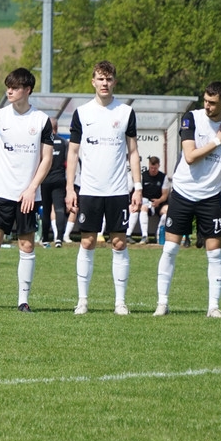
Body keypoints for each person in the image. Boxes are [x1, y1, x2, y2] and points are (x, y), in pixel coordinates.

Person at [155, 82, 221, 318]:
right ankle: (162, 303)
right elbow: (190, 156)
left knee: (214, 253)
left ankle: (213, 307)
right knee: (170, 249)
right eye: (205, 100)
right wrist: (217, 141)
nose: (207, 106)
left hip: (210, 198)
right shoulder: (191, 119)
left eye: (212, 103)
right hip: (183, 193)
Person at [66, 61, 142, 316]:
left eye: (108, 79)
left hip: (118, 190)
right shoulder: (81, 113)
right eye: (100, 79)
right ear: (93, 82)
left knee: (119, 243)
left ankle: (120, 302)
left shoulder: (126, 112)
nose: (105, 83)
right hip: (89, 189)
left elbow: (133, 152)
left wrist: (138, 187)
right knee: (87, 242)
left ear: (114, 82)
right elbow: (72, 153)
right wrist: (70, 188)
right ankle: (82, 301)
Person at [0, 68, 53, 312]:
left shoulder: (41, 120)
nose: (9, 91)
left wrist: (32, 188)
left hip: (27, 196)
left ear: (27, 90)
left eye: (15, 87)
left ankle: (23, 301)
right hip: (0, 193)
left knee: (27, 246)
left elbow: (47, 159)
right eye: (8, 86)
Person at [39, 117, 68, 248]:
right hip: (59, 179)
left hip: (45, 180)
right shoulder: (63, 143)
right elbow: (67, 162)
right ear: (56, 128)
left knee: (46, 210)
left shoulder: (43, 143)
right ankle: (59, 239)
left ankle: (45, 238)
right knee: (59, 209)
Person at [129, 156, 170, 244]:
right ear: (149, 165)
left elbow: (165, 195)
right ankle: (144, 236)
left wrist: (159, 201)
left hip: (159, 202)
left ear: (159, 166)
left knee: (167, 211)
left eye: (155, 168)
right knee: (142, 207)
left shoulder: (163, 177)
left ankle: (158, 234)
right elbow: (138, 192)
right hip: (145, 202)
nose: (153, 170)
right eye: (151, 168)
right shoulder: (143, 176)